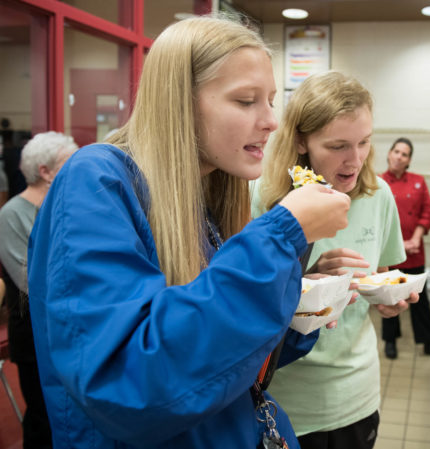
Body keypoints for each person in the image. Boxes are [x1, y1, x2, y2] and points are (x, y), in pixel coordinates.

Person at [26, 16, 351, 449]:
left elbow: (215, 360)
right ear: (179, 102)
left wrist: (296, 304)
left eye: (271, 100)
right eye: (246, 101)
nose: (272, 121)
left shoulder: (204, 193)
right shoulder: (97, 180)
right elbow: (132, 383)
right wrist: (281, 234)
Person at [253, 71, 418, 449]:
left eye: (364, 142)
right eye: (338, 146)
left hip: (354, 395)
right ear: (300, 141)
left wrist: (390, 300)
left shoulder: (379, 196)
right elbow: (233, 297)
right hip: (283, 396)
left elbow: (381, 276)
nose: (355, 160)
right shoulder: (261, 196)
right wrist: (306, 277)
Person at [0, 131, 78, 449]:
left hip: (65, 327)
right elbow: (31, 283)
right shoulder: (10, 215)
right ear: (44, 171)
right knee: (44, 418)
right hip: (34, 333)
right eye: (67, 164)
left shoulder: (64, 207)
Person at [380, 137, 430, 360]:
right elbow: (377, 219)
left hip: (414, 252)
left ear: (409, 161)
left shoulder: (418, 181)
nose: (399, 156)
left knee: (419, 299)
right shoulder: (378, 182)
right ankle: (390, 341)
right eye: (396, 151)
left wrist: (415, 238)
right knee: (390, 297)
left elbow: (427, 213)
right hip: (389, 253)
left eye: (404, 154)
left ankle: (429, 342)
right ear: (389, 154)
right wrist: (397, 244)